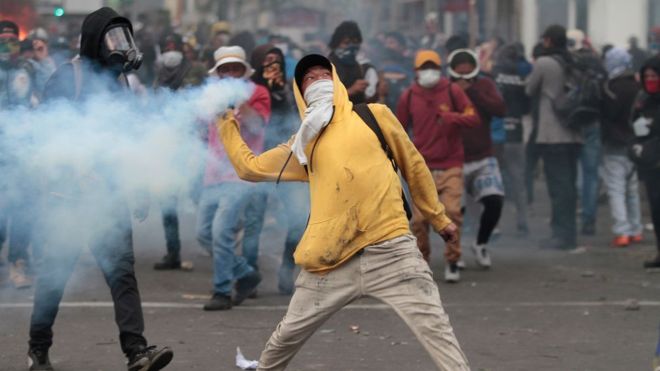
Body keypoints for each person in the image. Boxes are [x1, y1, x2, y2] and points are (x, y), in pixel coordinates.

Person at [218, 53, 469, 370]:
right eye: (309, 78)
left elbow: (414, 166)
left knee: (437, 330)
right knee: (286, 337)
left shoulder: (374, 116)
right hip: (330, 259)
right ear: (301, 92)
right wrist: (225, 123)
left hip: (392, 249)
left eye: (325, 74)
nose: (319, 80)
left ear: (336, 81)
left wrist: (438, 217)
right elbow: (249, 168)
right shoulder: (302, 146)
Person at [27, 8, 173, 371]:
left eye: (123, 37)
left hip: (109, 199)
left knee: (123, 274)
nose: (119, 47)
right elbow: (43, 136)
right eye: (111, 38)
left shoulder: (121, 83)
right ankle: (38, 349)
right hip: (69, 201)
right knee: (55, 278)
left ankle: (137, 352)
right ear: (93, 39)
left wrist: (137, 187)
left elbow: (128, 140)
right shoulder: (67, 78)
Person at [395, 50, 480, 282]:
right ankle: (423, 263)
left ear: (440, 69)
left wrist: (452, 117)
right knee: (419, 221)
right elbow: (398, 130)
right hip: (422, 168)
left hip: (451, 164)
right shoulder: (409, 96)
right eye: (424, 67)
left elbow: (473, 118)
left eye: (432, 67)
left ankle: (452, 260)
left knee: (452, 213)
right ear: (416, 71)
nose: (428, 71)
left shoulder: (452, 91)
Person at [198, 45, 269, 310]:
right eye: (224, 69)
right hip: (213, 174)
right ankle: (246, 273)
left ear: (244, 70)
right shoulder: (210, 96)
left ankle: (222, 291)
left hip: (240, 174)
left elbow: (258, 125)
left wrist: (238, 102)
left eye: (235, 68)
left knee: (220, 231)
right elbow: (201, 129)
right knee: (204, 234)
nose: (230, 73)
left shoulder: (257, 93)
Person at [251, 43, 309, 294]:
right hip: (259, 164)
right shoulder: (250, 89)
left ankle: (287, 268)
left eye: (276, 61)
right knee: (254, 221)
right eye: (267, 60)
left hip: (286, 165)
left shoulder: (288, 90)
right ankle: (249, 275)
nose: (271, 65)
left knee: (297, 219)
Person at [447, 48, 506, 268]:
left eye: (467, 73)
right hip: (454, 159)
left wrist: (473, 93)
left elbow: (500, 109)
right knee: (455, 211)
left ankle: (481, 243)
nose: (463, 78)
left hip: (483, 157)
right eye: (459, 73)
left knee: (494, 201)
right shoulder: (445, 89)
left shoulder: (485, 86)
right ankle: (455, 251)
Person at [151, 31, 205, 270]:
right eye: (167, 44)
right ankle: (173, 252)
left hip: (193, 143)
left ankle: (216, 243)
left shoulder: (195, 71)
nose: (170, 47)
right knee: (168, 202)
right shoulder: (159, 74)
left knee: (200, 196)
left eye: (174, 44)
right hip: (168, 144)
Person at [526, 25, 582, 250]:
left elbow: (530, 89)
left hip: (552, 133)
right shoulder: (573, 62)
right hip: (574, 133)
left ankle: (561, 237)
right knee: (569, 186)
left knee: (558, 189)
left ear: (547, 40)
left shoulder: (544, 63)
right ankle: (570, 234)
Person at [0, 20, 36, 289]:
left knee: (23, 209)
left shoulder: (28, 67)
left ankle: (18, 263)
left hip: (22, 149)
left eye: (12, 38)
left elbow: (50, 93)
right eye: (3, 38)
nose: (7, 43)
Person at [600, 47, 643, 247]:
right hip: (635, 143)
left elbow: (609, 115)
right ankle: (636, 230)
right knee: (632, 189)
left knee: (616, 189)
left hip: (615, 143)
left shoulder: (611, 87)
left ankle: (622, 231)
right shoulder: (638, 86)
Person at [567, 29, 607, 236]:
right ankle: (588, 219)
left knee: (574, 174)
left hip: (573, 124)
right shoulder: (597, 63)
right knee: (591, 175)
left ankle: (575, 214)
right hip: (594, 123)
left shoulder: (570, 64)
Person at [492, 42, 532, 236]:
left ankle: (495, 224)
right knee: (519, 181)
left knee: (494, 181)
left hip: (496, 136)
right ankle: (522, 221)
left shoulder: (494, 74)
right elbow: (527, 106)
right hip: (516, 132)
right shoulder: (522, 75)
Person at [630, 55, 660, 269]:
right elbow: (635, 124)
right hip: (651, 163)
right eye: (647, 76)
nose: (651, 79)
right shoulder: (643, 99)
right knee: (656, 209)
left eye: (654, 75)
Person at [327, 21, 378, 104]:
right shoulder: (327, 67)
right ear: (336, 44)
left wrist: (377, 93)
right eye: (346, 43)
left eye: (355, 43)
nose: (351, 47)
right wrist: (350, 91)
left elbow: (365, 101)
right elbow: (324, 101)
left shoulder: (359, 67)